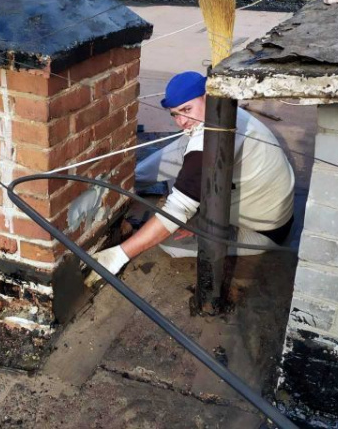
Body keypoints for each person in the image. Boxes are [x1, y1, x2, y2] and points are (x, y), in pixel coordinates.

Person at [84, 71, 295, 287]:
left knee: (167, 240)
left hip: (265, 231)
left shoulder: (211, 143)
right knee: (182, 147)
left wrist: (118, 256)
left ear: (207, 96)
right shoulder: (225, 111)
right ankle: (134, 183)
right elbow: (179, 150)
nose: (182, 121)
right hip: (268, 200)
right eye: (175, 114)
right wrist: (130, 181)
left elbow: (177, 210)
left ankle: (211, 225)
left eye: (187, 109)